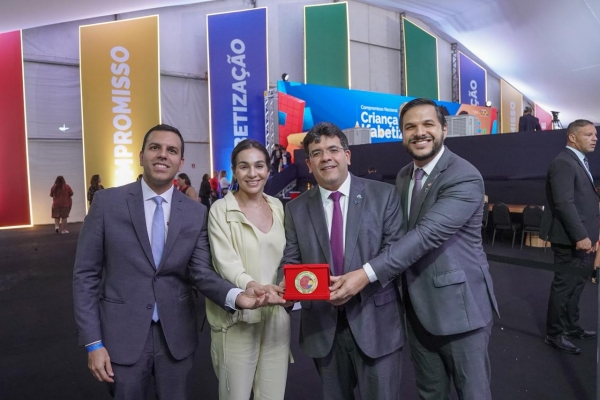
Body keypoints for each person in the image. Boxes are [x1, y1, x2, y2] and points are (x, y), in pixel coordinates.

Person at [73, 124, 284, 399]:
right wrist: (93, 342)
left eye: (171, 150)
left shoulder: (195, 212)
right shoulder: (107, 203)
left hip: (176, 337)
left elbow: (200, 272)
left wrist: (237, 297)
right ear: (141, 156)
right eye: (155, 148)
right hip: (121, 337)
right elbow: (85, 276)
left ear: (180, 162)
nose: (163, 155)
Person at [331, 98, 499, 399]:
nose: (419, 132)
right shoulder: (404, 176)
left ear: (444, 129)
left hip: (461, 311)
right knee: (429, 393)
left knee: (473, 394)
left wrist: (365, 274)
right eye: (410, 127)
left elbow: (425, 236)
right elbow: (395, 234)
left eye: (427, 124)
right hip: (417, 310)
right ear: (402, 134)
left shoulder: (463, 175)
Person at [279, 122, 405, 400]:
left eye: (333, 149)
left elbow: (396, 252)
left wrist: (364, 276)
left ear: (347, 156)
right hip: (323, 328)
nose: (326, 157)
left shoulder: (384, 195)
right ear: (308, 164)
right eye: (317, 153)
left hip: (376, 324)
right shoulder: (296, 208)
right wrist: (285, 288)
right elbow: (292, 259)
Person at [207, 139, 290, 399]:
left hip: (276, 317)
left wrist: (289, 285)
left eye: (259, 166)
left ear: (268, 169)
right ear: (234, 171)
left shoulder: (277, 206)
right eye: (244, 167)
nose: (252, 173)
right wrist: (251, 286)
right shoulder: (220, 210)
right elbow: (225, 262)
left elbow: (287, 257)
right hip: (238, 319)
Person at [540, 119, 599, 355]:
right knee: (564, 286)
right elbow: (564, 203)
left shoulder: (578, 161)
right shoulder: (563, 162)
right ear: (572, 138)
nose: (595, 139)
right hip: (570, 239)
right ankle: (554, 333)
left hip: (583, 238)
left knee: (576, 285)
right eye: (588, 135)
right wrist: (581, 236)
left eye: (595, 135)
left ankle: (571, 327)